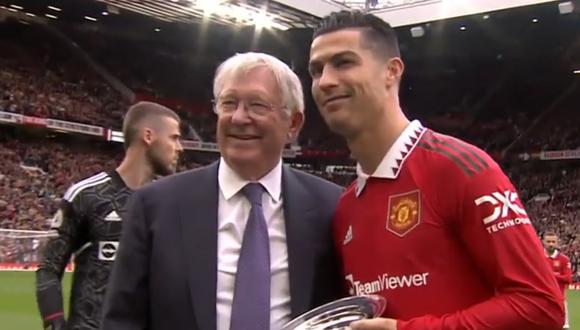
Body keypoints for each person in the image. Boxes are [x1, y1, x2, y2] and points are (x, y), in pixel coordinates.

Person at [308, 10, 564, 330]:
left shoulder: (461, 169)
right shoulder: (345, 207)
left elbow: (541, 306)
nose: (326, 81)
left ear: (392, 71)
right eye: (316, 70)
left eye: (343, 62)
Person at [101, 52, 344, 330]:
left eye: (257, 105)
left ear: (293, 123)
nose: (239, 117)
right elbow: (122, 320)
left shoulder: (330, 207)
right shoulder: (155, 205)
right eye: (229, 103)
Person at [35, 101, 183, 330]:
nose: (180, 147)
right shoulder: (88, 195)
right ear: (148, 136)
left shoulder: (169, 202)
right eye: (174, 138)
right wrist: (54, 323)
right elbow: (49, 268)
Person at [543, 231, 573, 329]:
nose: (551, 244)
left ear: (557, 243)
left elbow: (568, 279)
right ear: (543, 242)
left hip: (559, 301)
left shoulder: (564, 259)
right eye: (548, 241)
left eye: (553, 242)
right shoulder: (538, 257)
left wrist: (550, 275)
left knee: (564, 327)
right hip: (541, 300)